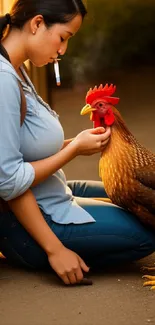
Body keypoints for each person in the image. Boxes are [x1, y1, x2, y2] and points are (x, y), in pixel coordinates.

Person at [0, 0, 155, 286]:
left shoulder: (18, 68)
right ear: (36, 24)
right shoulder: (3, 80)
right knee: (145, 233)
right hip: (27, 218)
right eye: (63, 38)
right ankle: (40, 252)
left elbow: (24, 146)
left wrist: (77, 143)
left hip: (50, 189)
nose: (63, 50)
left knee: (124, 195)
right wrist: (56, 250)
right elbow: (8, 181)